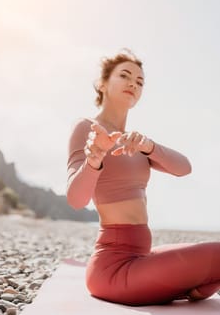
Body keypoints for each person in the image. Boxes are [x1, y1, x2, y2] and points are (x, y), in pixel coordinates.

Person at [66, 49, 220, 305]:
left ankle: (182, 288)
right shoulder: (87, 128)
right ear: (102, 84)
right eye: (124, 75)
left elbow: (184, 168)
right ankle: (181, 288)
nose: (132, 84)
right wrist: (95, 159)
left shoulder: (135, 142)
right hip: (113, 267)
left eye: (139, 82)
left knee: (210, 274)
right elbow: (76, 199)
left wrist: (148, 146)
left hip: (142, 257)